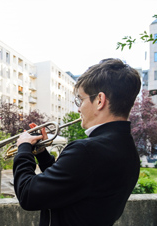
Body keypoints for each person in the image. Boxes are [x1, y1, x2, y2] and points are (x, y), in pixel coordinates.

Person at [13, 58, 141, 226]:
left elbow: (28, 195)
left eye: (80, 100)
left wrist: (23, 148)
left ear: (100, 100)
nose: (79, 109)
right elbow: (68, 183)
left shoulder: (86, 150)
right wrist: (41, 153)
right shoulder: (128, 149)